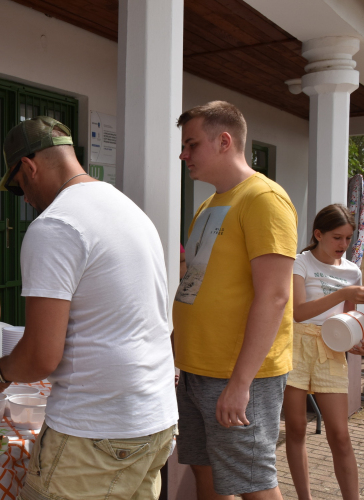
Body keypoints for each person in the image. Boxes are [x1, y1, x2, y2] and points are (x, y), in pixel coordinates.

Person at [0, 116, 178, 500]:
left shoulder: (55, 226)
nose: (27, 201)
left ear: (29, 167)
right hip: (154, 419)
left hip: (95, 430)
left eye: (20, 189)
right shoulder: (129, 210)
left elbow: (41, 356)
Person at [173, 101, 297, 499]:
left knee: (252, 483)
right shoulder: (210, 204)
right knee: (206, 473)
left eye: (191, 144)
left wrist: (240, 383)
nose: (183, 154)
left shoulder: (263, 198)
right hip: (195, 368)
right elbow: (196, 282)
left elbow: (275, 296)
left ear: (224, 141)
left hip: (238, 374)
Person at [284, 204, 363, 500]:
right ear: (318, 234)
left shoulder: (353, 271)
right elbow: (299, 312)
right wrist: (342, 293)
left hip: (331, 349)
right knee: (296, 428)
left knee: (340, 436)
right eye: (337, 238)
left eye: (347, 239)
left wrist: (355, 341)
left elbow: (349, 319)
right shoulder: (300, 262)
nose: (343, 245)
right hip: (296, 346)